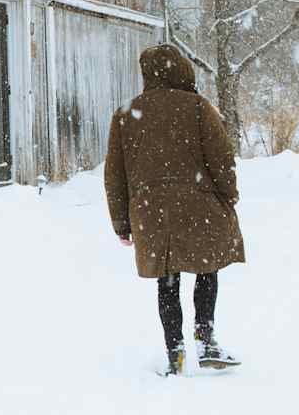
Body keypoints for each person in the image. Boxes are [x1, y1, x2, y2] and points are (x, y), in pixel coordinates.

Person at [104, 44, 246, 376]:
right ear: (182, 69)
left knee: (167, 279)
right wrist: (229, 195)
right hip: (198, 204)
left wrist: (122, 222)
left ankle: (175, 351)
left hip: (151, 211)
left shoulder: (126, 114)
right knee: (206, 268)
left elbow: (115, 174)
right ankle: (206, 338)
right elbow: (221, 158)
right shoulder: (198, 107)